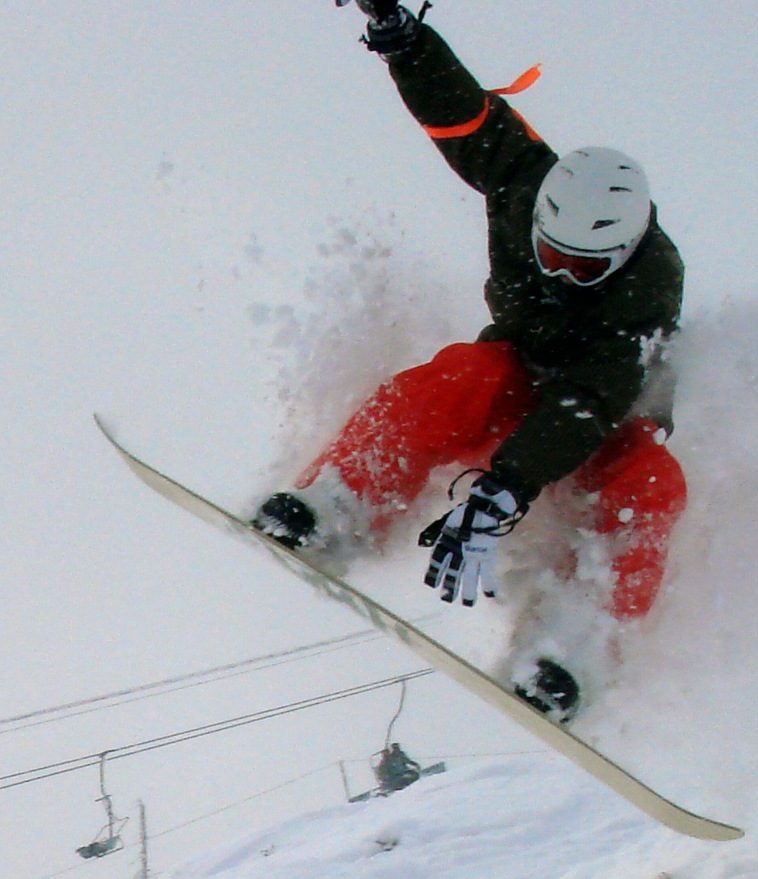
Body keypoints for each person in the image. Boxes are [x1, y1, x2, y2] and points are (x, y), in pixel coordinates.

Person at [254, 0, 687, 722]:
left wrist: (505, 489)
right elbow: (463, 115)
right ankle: (339, 504)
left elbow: (591, 398)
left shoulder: (651, 286)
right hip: (519, 379)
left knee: (653, 482)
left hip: (600, 426)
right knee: (465, 373)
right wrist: (401, 36)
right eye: (549, 253)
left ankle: (574, 648)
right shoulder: (524, 182)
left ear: (619, 255)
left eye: (583, 268)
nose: (559, 274)